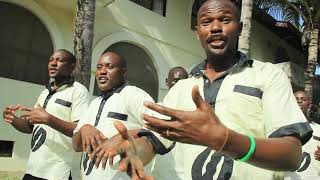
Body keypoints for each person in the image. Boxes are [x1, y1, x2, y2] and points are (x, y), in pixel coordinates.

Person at [89, 0, 313, 179]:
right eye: (206, 22)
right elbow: (155, 140)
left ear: (240, 28)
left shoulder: (267, 75)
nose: (215, 27)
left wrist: (225, 139)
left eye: (224, 20)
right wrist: (136, 151)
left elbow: (291, 154)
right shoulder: (183, 87)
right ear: (197, 32)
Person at [3, 49, 90, 180]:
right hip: (33, 170)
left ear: (72, 66)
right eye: (51, 60)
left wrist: (48, 119)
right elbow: (30, 127)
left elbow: (80, 130)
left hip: (58, 172)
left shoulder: (78, 91)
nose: (53, 63)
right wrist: (13, 119)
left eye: (59, 60)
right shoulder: (45, 92)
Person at [72, 51, 155, 180]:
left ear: (124, 72)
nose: (102, 72)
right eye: (99, 67)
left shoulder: (134, 95)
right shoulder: (95, 103)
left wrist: (123, 137)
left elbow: (158, 130)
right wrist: (84, 128)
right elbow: (76, 146)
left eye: (109, 67)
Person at [283, 91, 320, 179]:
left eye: (303, 99)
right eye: (296, 99)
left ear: (309, 104)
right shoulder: (281, 128)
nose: (299, 101)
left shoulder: (318, 129)